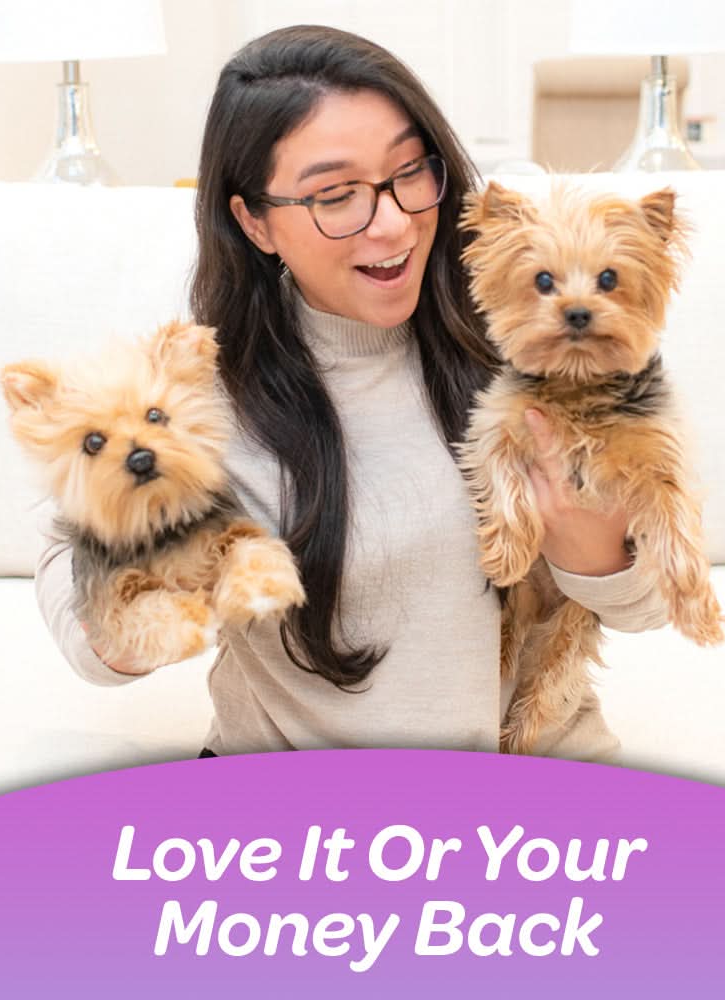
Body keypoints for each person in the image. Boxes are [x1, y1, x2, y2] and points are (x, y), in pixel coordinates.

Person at [35, 24, 667, 760]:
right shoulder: (193, 399)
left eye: (409, 172)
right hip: (297, 816)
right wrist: (138, 616)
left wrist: (595, 554)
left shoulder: (535, 335)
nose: (394, 222)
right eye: (336, 195)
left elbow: (656, 601)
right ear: (255, 221)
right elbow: (76, 595)